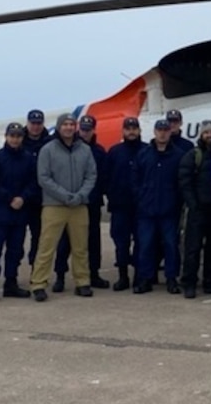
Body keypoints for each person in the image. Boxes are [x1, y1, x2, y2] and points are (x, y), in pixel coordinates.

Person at [30, 114, 97, 300]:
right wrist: (64, 195)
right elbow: (43, 177)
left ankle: (82, 282)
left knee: (80, 247)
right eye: (65, 124)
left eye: (71, 124)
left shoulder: (85, 150)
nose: (68, 127)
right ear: (59, 127)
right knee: (46, 247)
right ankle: (38, 283)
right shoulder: (47, 149)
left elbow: (91, 175)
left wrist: (81, 195)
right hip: (54, 205)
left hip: (79, 205)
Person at [53, 114, 110, 292]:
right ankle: (60, 276)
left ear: (93, 130)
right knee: (65, 242)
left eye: (88, 129)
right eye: (83, 129)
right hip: (71, 201)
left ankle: (93, 274)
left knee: (92, 242)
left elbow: (103, 177)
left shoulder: (99, 151)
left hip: (91, 202)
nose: (85, 133)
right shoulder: (70, 148)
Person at [0, 122, 36, 301]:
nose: (15, 139)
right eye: (12, 136)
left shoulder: (28, 159)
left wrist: (23, 198)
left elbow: (34, 182)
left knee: (15, 250)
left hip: (19, 213)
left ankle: (11, 283)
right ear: (6, 137)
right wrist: (9, 198)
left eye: (18, 136)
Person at [134, 118, 187, 294]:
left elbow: (182, 182)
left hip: (169, 210)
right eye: (160, 130)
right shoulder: (144, 154)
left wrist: (177, 203)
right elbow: (135, 180)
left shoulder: (178, 155)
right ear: (155, 132)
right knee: (146, 245)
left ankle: (171, 279)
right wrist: (141, 199)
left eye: (166, 130)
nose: (163, 133)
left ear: (170, 132)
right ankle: (145, 279)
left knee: (171, 245)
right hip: (146, 210)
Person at [179, 119, 211, 297]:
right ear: (201, 135)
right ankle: (189, 282)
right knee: (192, 248)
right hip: (198, 209)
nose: (210, 135)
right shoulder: (193, 155)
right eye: (207, 133)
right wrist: (193, 203)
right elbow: (185, 181)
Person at [104, 117, 145, 290]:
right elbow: (106, 177)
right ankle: (122, 277)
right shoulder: (114, 152)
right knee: (121, 243)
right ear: (123, 131)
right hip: (120, 206)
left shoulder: (146, 151)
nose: (131, 131)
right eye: (128, 128)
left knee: (141, 243)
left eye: (134, 128)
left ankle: (138, 276)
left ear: (139, 130)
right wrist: (112, 197)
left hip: (141, 207)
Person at [19, 108, 52, 269]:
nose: (36, 127)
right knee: (16, 239)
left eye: (39, 123)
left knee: (39, 237)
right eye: (33, 123)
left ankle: (36, 271)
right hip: (20, 198)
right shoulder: (18, 141)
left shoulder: (50, 143)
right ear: (28, 123)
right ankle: (12, 276)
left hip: (41, 198)